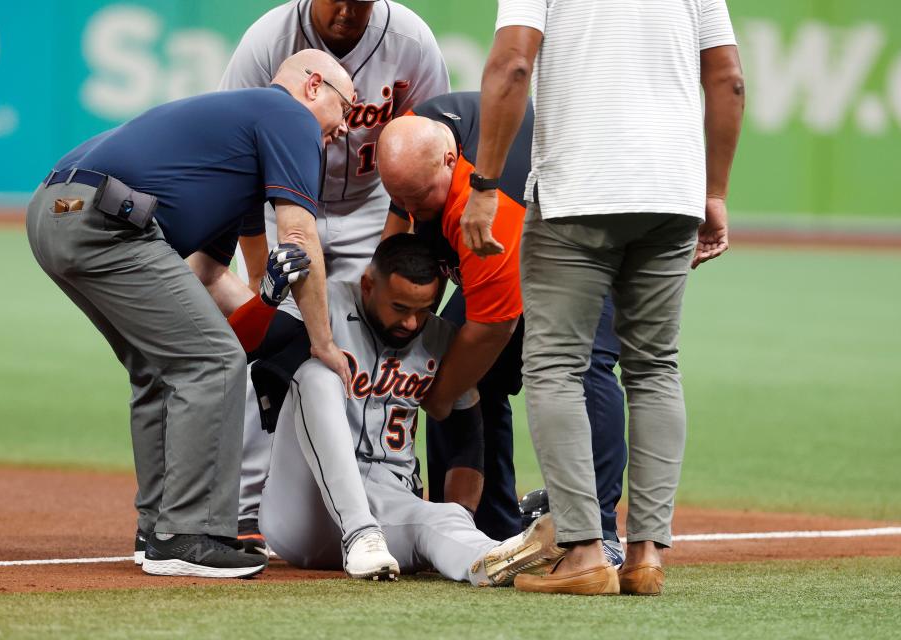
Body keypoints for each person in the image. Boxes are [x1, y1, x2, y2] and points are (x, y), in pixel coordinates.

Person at [26, 49, 355, 579]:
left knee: (163, 366)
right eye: (347, 105)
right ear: (314, 86)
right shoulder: (290, 116)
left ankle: (158, 525)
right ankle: (187, 535)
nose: (346, 126)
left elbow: (203, 276)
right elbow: (299, 237)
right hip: (104, 222)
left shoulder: (235, 155)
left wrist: (266, 309)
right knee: (210, 362)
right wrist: (321, 341)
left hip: (57, 212)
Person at [460, 0, 745, 595]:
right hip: (673, 190)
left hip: (579, 189)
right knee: (655, 368)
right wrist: (714, 192)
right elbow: (728, 77)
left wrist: (484, 184)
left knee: (555, 367)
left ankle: (585, 552)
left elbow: (512, 65)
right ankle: (644, 558)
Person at [219, 0, 451, 548]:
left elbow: (433, 145)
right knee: (270, 348)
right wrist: (258, 277)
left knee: (364, 348)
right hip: (281, 207)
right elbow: (238, 161)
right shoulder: (267, 40)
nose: (347, 9)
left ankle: (366, 491)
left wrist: (394, 247)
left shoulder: (411, 41)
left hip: (374, 210)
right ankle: (248, 508)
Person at [376, 93, 626, 558]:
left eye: (420, 196)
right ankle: (482, 531)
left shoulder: (484, 210)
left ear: (451, 163)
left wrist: (440, 395)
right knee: (447, 358)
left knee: (581, 368)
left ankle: (600, 534)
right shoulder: (412, 139)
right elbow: (396, 237)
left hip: (584, 237)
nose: (413, 207)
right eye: (401, 196)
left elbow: (493, 327)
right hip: (509, 237)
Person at [258, 233, 565, 585]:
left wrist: (461, 517)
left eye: (423, 310)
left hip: (387, 507)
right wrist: (266, 299)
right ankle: (359, 532)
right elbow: (248, 346)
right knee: (316, 375)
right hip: (301, 508)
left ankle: (495, 560)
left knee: (444, 517)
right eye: (400, 308)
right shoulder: (324, 304)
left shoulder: (441, 338)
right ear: (369, 285)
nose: (410, 323)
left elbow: (468, 438)